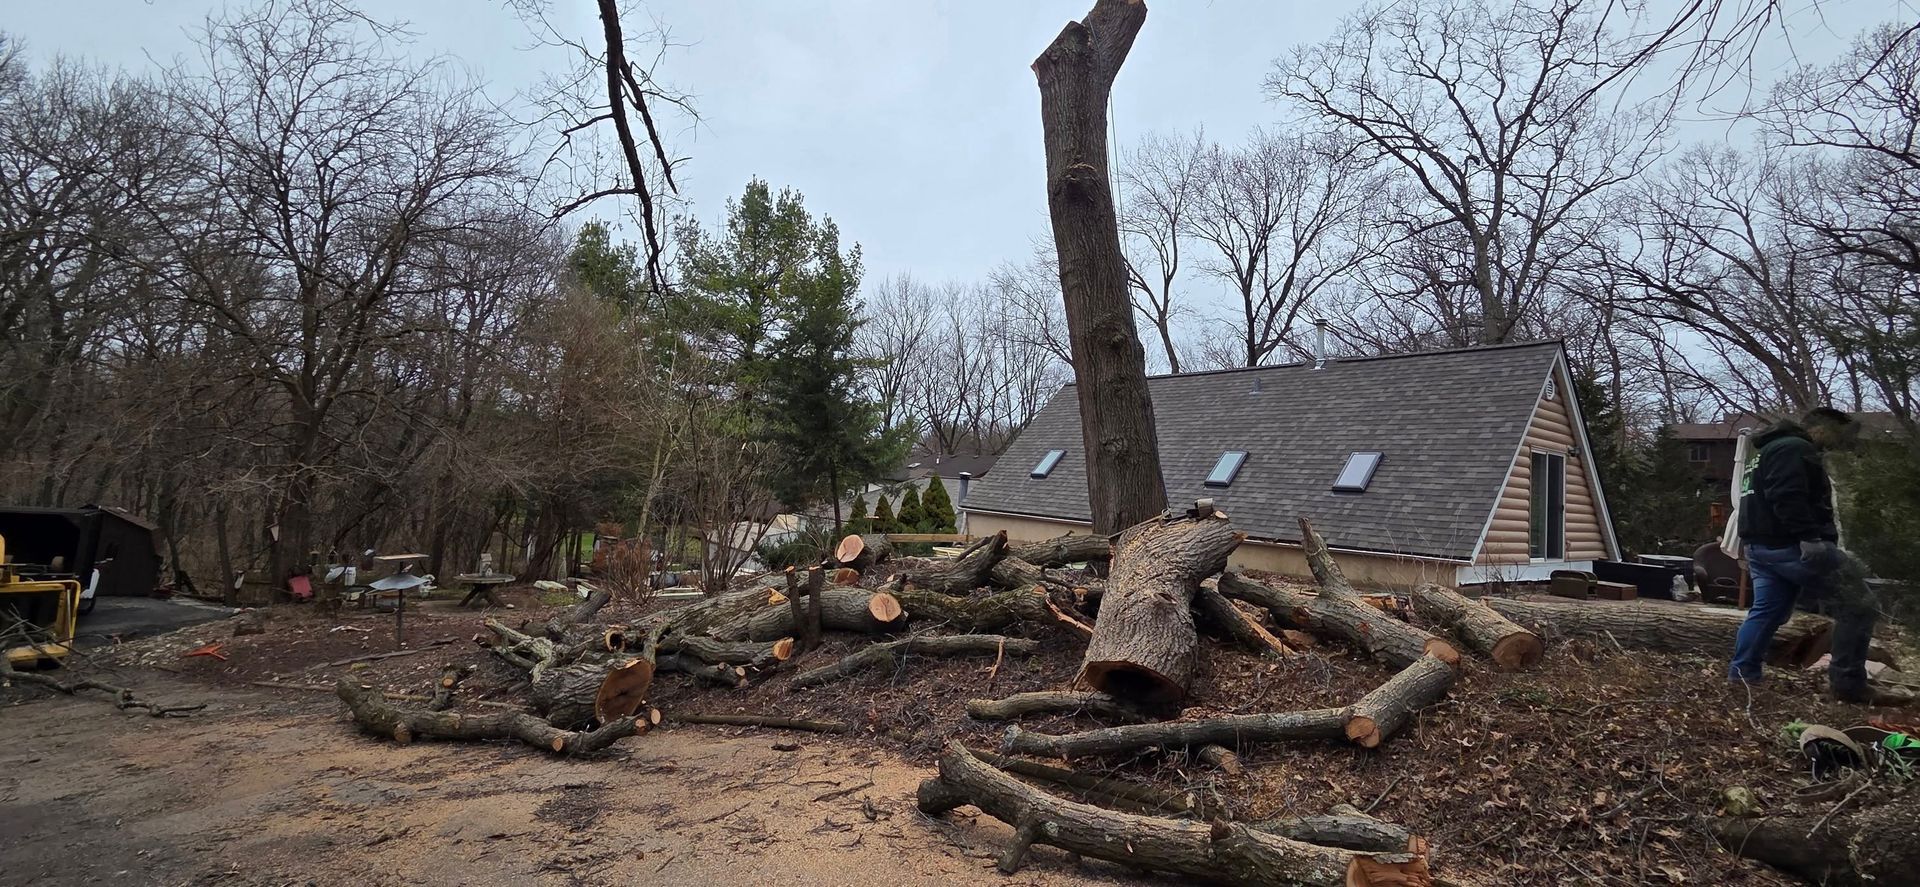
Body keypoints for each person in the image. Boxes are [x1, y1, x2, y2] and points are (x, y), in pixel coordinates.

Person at [1728, 407, 1878, 702]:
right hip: (1791, 546)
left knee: (1766, 612)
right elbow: (1786, 495)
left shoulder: (1766, 451)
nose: (1841, 443)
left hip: (1760, 547)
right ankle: (1848, 684)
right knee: (1859, 605)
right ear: (1821, 429)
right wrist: (1810, 538)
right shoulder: (1795, 448)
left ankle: (1743, 675)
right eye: (1839, 434)